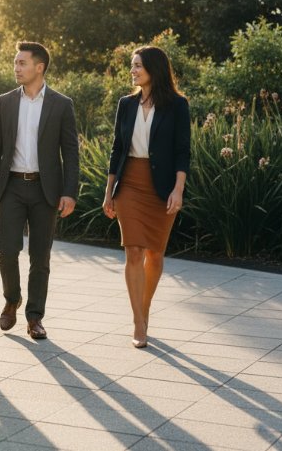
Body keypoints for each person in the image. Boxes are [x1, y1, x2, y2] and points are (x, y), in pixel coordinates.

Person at [0, 41, 79, 340]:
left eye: (22, 63)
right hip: (10, 185)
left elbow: (70, 151)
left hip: (44, 190)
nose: (16, 68)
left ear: (40, 67)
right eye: (15, 63)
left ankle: (35, 317)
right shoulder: (6, 101)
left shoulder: (61, 104)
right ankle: (12, 298)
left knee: (40, 256)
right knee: (6, 250)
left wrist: (69, 192)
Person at [102, 46, 190, 348]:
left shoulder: (178, 105)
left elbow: (182, 151)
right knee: (134, 251)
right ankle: (139, 322)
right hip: (129, 184)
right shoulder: (126, 104)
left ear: (153, 68)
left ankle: (145, 306)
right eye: (132, 65)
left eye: (137, 65)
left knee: (155, 254)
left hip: (163, 187)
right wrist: (109, 191)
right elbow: (117, 149)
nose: (133, 70)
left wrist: (178, 190)